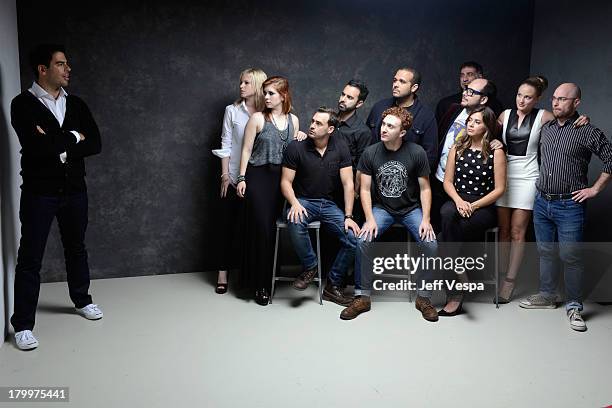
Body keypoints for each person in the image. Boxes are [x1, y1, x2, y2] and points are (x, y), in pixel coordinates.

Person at [10, 44, 103, 350]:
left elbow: (96, 143)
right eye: (61, 64)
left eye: (67, 63)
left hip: (75, 190)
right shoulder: (21, 105)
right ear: (43, 69)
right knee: (30, 257)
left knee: (76, 248)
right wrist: (75, 136)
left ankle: (82, 299)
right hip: (40, 193)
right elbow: (37, 148)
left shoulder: (75, 103)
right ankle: (23, 324)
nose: (68, 69)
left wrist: (57, 141)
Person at [519, 83, 612, 332]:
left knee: (571, 257)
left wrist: (594, 190)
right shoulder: (547, 128)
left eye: (563, 99)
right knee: (546, 252)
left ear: (576, 103)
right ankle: (547, 296)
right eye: (554, 99)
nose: (556, 103)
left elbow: (610, 158)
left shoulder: (587, 130)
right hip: (542, 202)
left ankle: (574, 307)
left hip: (569, 205)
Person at [340, 106, 438, 322]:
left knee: (430, 243)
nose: (383, 129)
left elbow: (425, 189)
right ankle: (362, 297)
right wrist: (370, 218)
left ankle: (424, 297)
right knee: (363, 239)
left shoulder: (416, 152)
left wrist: (426, 219)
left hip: (411, 209)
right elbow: (364, 189)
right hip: (382, 209)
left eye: (390, 126)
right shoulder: (371, 152)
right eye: (383, 124)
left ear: (402, 132)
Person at [495, 76, 589, 303]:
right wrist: (495, 142)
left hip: (528, 178)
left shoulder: (544, 116)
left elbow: (567, 119)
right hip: (504, 175)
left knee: (518, 232)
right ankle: (498, 276)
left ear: (537, 99)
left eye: (528, 97)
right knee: (504, 231)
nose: (522, 100)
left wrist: (584, 119)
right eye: (519, 95)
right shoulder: (504, 115)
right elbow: (484, 130)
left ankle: (510, 280)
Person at [281, 107, 360, 305]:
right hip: (303, 201)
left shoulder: (341, 147)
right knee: (294, 217)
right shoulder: (296, 147)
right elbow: (285, 182)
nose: (312, 126)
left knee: (354, 239)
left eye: (318, 123)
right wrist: (295, 203)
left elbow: (348, 184)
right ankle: (311, 266)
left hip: (329, 204)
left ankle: (333, 286)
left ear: (330, 129)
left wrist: (349, 216)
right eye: (312, 121)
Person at [237, 76, 300, 306]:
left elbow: (294, 153)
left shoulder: (294, 119)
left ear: (283, 95)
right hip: (258, 176)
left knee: (274, 231)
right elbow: (246, 150)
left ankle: (269, 278)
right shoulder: (257, 118)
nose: (266, 97)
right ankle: (260, 285)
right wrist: (242, 178)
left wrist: (301, 138)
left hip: (282, 180)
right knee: (262, 229)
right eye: (265, 93)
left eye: (271, 93)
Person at [438, 106, 507, 316]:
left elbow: (500, 189)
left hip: (482, 205)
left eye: (477, 122)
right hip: (458, 199)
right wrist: (459, 201)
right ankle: (459, 275)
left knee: (444, 238)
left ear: (487, 126)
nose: (471, 124)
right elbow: (448, 182)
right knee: (447, 213)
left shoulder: (496, 151)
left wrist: (474, 206)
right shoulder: (457, 148)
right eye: (470, 121)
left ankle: (455, 291)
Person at [212, 68, 267, 294]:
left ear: (257, 85)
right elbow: (226, 143)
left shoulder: (269, 111)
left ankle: (251, 277)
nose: (241, 86)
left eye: (246, 83)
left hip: (260, 179)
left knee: (254, 229)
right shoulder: (232, 111)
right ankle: (222, 274)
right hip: (234, 175)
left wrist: (299, 134)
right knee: (226, 225)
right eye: (240, 82)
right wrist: (225, 175)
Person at [433, 78, 501, 231]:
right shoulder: (453, 110)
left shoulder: (490, 122)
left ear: (483, 99)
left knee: (458, 227)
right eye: (465, 89)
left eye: (471, 92)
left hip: (470, 188)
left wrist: (499, 143)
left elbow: (494, 145)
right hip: (441, 179)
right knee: (441, 220)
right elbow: (440, 136)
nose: (465, 93)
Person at [366, 67, 438, 171]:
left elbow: (430, 156)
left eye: (402, 82)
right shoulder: (379, 107)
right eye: (395, 80)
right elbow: (367, 142)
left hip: (406, 179)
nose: (396, 85)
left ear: (414, 87)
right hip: (374, 173)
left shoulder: (426, 116)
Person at [435, 61, 503, 122]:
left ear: (480, 77)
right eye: (462, 75)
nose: (464, 79)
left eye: (469, 74)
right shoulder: (446, 104)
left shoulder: (494, 105)